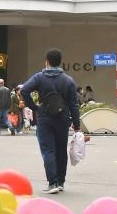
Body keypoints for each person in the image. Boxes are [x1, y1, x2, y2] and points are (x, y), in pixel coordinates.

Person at [21, 48, 81, 194]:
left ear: (47, 62)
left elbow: (24, 90)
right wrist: (77, 125)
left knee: (48, 150)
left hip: (44, 118)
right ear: (60, 62)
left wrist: (34, 107)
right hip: (63, 118)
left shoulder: (39, 77)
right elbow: (74, 104)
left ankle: (52, 183)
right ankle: (61, 182)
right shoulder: (68, 80)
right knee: (61, 150)